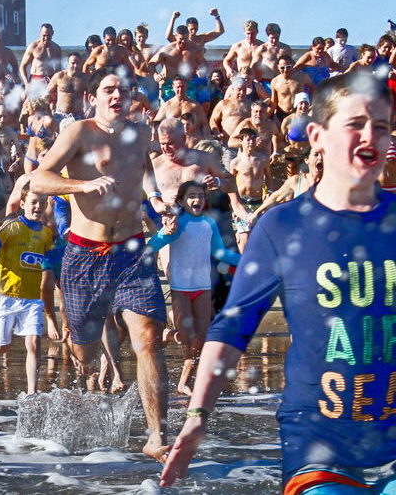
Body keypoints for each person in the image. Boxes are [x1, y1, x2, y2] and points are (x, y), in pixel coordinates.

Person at [160, 71, 396, 494]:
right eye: (355, 124)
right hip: (320, 446)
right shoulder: (282, 227)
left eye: (381, 126)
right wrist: (197, 419)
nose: (370, 137)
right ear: (317, 137)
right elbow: (233, 328)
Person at [33, 70, 173, 460]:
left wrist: (156, 197)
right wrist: (81, 186)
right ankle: (88, 398)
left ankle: (157, 435)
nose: (117, 95)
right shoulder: (78, 132)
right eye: (109, 89)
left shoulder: (141, 133)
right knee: (85, 352)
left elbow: (143, 168)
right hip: (84, 254)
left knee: (149, 339)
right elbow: (38, 180)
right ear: (93, 96)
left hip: (131, 252)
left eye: (123, 90)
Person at [145, 182, 240, 396]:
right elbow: (153, 246)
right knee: (191, 339)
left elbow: (221, 253)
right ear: (181, 201)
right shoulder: (178, 224)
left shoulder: (209, 224)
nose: (196, 200)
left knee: (201, 339)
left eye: (200, 196)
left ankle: (184, 382)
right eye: (191, 196)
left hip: (203, 289)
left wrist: (245, 260)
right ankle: (172, 333)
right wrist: (163, 233)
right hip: (181, 289)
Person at [0, 188, 57, 394]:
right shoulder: (12, 227)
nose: (38, 206)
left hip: (32, 299)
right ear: (22, 204)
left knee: (34, 342)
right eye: (33, 202)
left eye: (42, 202)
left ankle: (33, 392)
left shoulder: (46, 233)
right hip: (6, 296)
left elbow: (49, 260)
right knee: (4, 347)